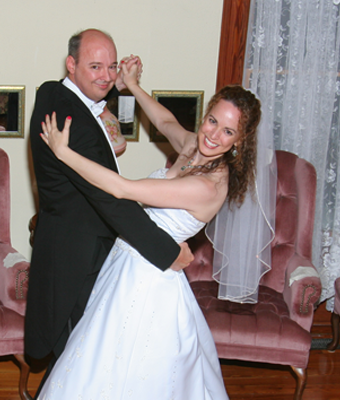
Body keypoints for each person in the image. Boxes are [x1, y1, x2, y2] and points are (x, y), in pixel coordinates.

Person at [35, 55, 262, 399]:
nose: (213, 135)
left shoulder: (209, 185)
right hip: (127, 264)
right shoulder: (193, 147)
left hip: (148, 283)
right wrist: (132, 85)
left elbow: (122, 189)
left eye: (227, 131)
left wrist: (64, 153)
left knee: (126, 371)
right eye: (212, 121)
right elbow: (165, 120)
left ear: (240, 141)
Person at [25, 29, 194, 394]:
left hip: (70, 243)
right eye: (95, 67)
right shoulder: (74, 126)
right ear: (71, 65)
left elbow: (99, 112)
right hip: (78, 258)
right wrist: (166, 251)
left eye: (111, 66)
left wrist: (121, 86)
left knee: (81, 360)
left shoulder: (52, 93)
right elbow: (111, 200)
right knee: (77, 361)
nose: (105, 75)